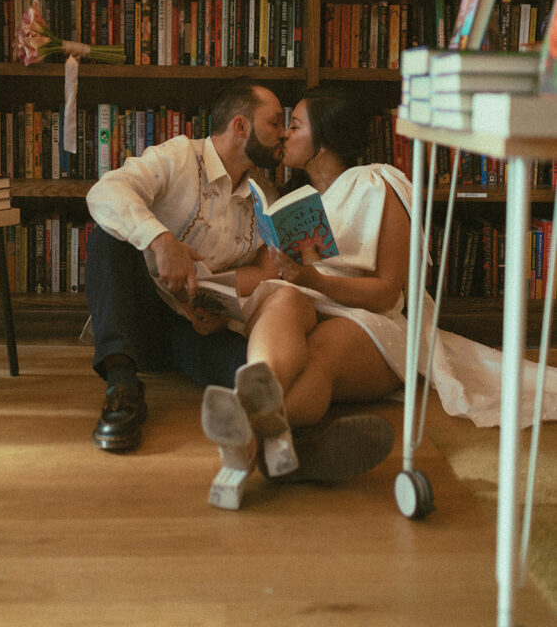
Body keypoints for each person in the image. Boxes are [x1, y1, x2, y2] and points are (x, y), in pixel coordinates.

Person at [201, 84, 557, 510]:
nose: (282, 135)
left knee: (318, 357)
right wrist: (207, 285)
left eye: (294, 126)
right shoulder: (288, 200)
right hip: (308, 303)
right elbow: (271, 278)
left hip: (371, 320)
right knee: (282, 299)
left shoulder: (379, 183)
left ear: (324, 141)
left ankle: (242, 440)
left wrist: (315, 280)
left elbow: (389, 292)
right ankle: (269, 428)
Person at [84, 79, 286, 452]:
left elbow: (266, 273)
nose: (283, 133)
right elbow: (105, 191)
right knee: (107, 236)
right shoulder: (178, 157)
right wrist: (161, 240)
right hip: (139, 317)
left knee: (257, 374)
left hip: (197, 329)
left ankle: (282, 443)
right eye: (275, 122)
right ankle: (122, 387)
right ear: (241, 126)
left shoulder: (265, 195)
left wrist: (219, 306)